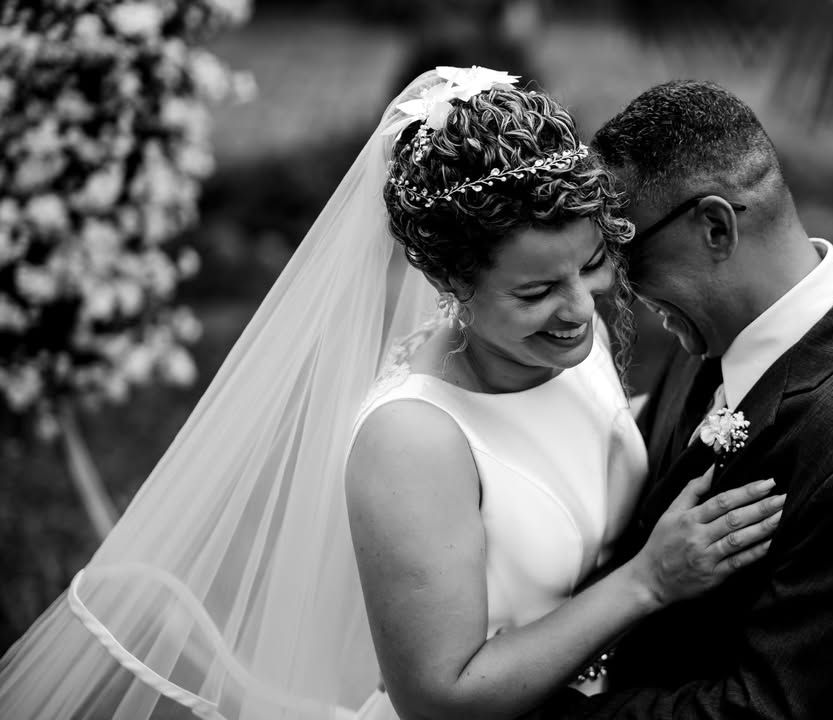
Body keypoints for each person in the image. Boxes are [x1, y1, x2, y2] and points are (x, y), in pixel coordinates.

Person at [0, 69, 782, 720]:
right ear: (451, 286)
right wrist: (647, 582)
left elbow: (567, 469)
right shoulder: (414, 441)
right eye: (539, 289)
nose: (582, 309)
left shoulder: (563, 343)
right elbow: (440, 698)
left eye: (591, 264)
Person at [519, 80, 833, 720]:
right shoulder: (720, 328)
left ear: (714, 227)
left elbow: (776, 710)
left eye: (627, 249)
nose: (615, 283)